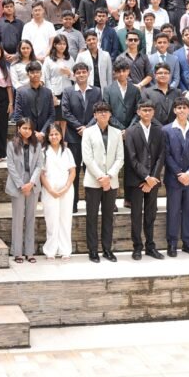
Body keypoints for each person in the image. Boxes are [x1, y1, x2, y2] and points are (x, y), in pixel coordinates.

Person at [81, 102, 124, 263]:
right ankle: (93, 250)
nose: (103, 114)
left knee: (108, 217)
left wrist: (109, 176)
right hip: (93, 181)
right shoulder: (88, 132)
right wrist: (101, 177)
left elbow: (120, 158)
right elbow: (87, 158)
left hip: (111, 182)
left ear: (110, 114)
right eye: (99, 111)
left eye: (106, 111)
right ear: (94, 115)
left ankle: (107, 249)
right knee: (92, 217)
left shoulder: (117, 133)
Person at [123, 100, 165, 260]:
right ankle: (137, 247)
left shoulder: (159, 130)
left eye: (150, 110)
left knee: (150, 214)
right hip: (137, 181)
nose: (147, 113)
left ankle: (150, 246)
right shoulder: (131, 131)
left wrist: (152, 178)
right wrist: (146, 177)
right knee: (136, 215)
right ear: (138, 112)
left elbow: (161, 155)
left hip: (153, 181)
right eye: (144, 110)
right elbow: (132, 158)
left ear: (153, 112)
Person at [163, 97, 189, 258]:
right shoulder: (166, 130)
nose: (181, 110)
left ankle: (188, 243)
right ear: (174, 110)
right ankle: (172, 243)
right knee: (173, 211)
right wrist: (179, 173)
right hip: (174, 179)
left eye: (184, 107)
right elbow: (166, 154)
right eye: (179, 107)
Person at [61, 62, 103, 211]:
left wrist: (87, 128)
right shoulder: (68, 91)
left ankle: (92, 204)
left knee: (91, 171)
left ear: (88, 73)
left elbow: (99, 110)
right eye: (78, 72)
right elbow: (65, 112)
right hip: (73, 137)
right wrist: (79, 127)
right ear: (74, 75)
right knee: (74, 171)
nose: (81, 75)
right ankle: (72, 204)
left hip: (91, 137)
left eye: (84, 72)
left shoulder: (97, 91)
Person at [5, 119, 42, 263]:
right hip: (17, 184)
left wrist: (31, 183)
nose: (27, 131)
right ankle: (17, 252)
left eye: (30, 128)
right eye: (24, 128)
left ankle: (29, 252)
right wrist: (21, 185)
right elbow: (10, 166)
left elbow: (39, 165)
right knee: (18, 218)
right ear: (18, 128)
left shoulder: (37, 145)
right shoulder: (11, 145)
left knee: (31, 218)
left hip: (33, 183)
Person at [40, 123, 76, 260]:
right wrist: (51, 190)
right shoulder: (43, 152)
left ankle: (65, 250)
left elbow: (72, 171)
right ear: (47, 136)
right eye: (51, 134)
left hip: (66, 190)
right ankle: (50, 250)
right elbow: (41, 174)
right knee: (51, 220)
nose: (54, 136)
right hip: (50, 191)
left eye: (56, 134)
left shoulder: (67, 151)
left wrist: (66, 187)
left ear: (61, 136)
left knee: (65, 220)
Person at [42, 34, 74, 136]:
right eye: (59, 44)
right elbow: (45, 77)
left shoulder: (70, 59)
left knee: (64, 120)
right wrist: (51, 93)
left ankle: (63, 142)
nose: (62, 46)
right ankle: (55, 140)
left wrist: (69, 73)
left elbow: (75, 77)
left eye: (64, 44)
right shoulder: (48, 59)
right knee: (55, 120)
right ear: (55, 45)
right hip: (54, 92)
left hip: (67, 92)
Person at [14, 61, 54, 142]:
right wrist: (32, 131)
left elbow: (52, 115)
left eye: (37, 72)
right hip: (26, 135)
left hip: (44, 135)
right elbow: (18, 115)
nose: (35, 74)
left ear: (41, 74)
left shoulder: (48, 92)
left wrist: (42, 132)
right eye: (32, 72)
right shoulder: (20, 91)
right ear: (27, 74)